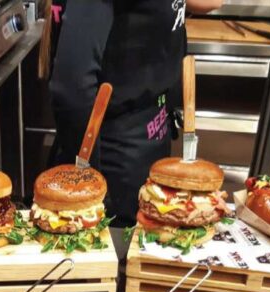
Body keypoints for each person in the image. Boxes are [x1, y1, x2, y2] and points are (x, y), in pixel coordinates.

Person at [39, 0, 223, 226]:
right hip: (113, 159)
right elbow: (71, 88)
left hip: (152, 134)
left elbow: (209, 2)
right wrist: (91, 186)